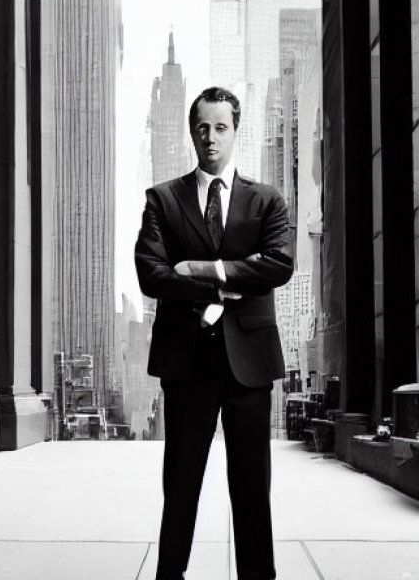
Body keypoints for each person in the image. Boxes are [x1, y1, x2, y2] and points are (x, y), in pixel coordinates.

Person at [134, 86, 293, 580]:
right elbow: (151, 273)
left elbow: (280, 264)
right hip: (187, 363)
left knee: (251, 491)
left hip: (248, 365)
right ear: (191, 131)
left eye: (220, 127)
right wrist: (237, 274)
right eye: (202, 127)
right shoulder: (163, 199)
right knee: (180, 487)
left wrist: (206, 271)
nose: (210, 137)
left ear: (235, 132)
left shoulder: (267, 201)